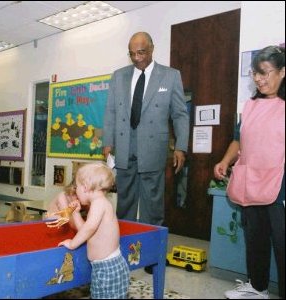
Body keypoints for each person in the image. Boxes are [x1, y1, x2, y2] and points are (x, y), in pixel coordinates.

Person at [103, 32, 189, 274]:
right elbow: (110, 111)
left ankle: (152, 257)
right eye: (132, 53)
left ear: (152, 49)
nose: (137, 58)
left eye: (141, 52)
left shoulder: (171, 76)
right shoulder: (119, 76)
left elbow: (180, 114)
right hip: (124, 148)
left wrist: (181, 146)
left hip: (153, 149)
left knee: (153, 208)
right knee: (125, 206)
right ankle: (122, 252)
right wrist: (107, 142)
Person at [214, 45, 285, 299]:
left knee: (282, 244)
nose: (258, 78)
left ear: (283, 72)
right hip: (251, 181)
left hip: (280, 185)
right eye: (255, 73)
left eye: (265, 72)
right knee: (256, 239)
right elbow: (238, 140)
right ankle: (257, 287)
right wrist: (225, 161)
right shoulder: (250, 106)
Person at [58, 162, 129, 299]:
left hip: (108, 269)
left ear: (85, 187)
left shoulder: (99, 204)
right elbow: (85, 231)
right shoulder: (99, 204)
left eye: (76, 187)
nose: (76, 191)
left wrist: (73, 243)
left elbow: (88, 229)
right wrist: (76, 213)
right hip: (104, 267)